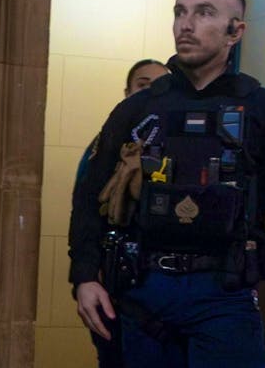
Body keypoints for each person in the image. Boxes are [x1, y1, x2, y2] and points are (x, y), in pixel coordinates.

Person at [68, 0, 265, 367]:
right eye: (180, 12)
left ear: (235, 32)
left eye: (204, 13)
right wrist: (83, 276)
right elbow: (87, 197)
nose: (186, 25)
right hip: (142, 295)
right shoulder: (137, 110)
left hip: (225, 297)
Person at [74, 58, 168, 368]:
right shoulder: (106, 146)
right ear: (127, 91)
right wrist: (86, 276)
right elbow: (85, 209)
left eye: (161, 86)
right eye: (143, 85)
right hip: (112, 283)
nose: (151, 93)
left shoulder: (176, 147)